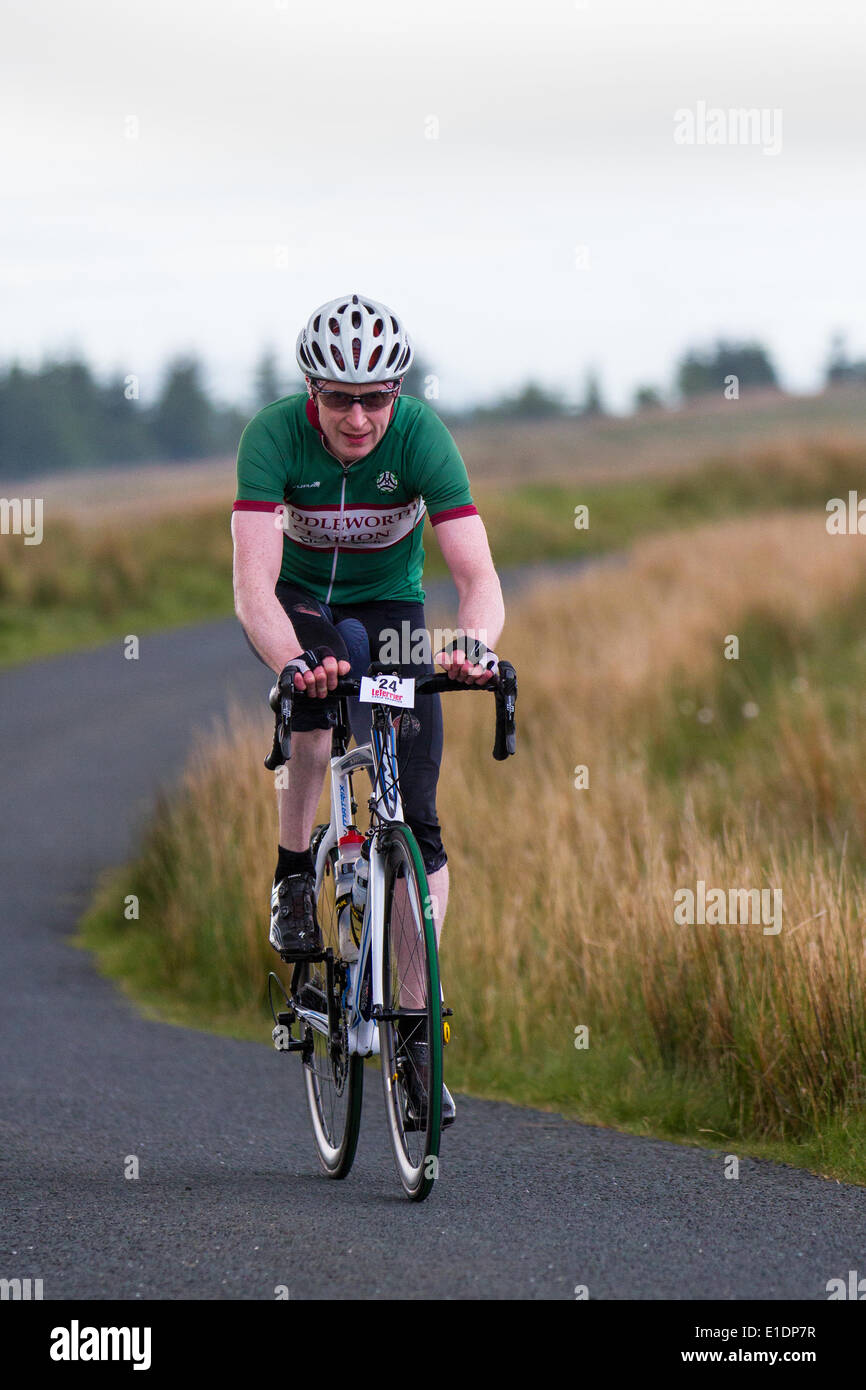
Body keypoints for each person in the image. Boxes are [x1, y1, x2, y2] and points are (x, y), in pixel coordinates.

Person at [231, 294, 505, 1126]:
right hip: (302, 605)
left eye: (375, 398)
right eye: (339, 398)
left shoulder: (423, 437)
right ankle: (291, 878)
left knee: (418, 821)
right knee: (314, 716)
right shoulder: (273, 436)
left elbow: (477, 576)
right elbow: (251, 587)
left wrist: (478, 646)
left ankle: (416, 1036)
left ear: (397, 392)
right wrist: (292, 661)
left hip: (391, 613)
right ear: (312, 390)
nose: (357, 417)